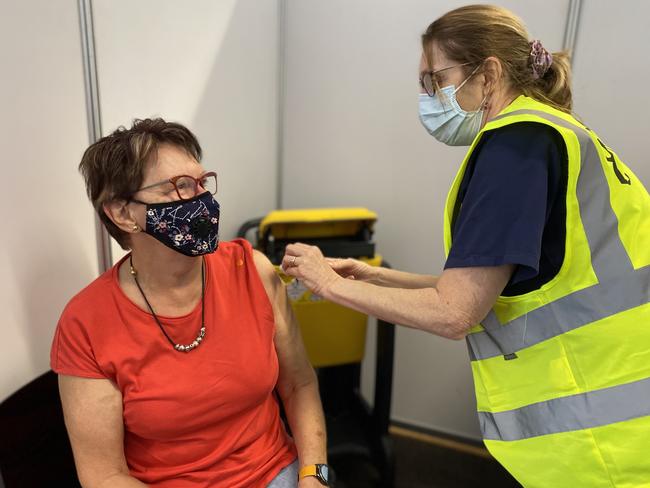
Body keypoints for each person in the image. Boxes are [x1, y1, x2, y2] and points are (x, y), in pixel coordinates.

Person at [280, 5, 650, 487]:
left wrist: (325, 282)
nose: (428, 97)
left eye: (436, 80)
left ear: (489, 72)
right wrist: (375, 275)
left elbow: (455, 312)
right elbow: (510, 288)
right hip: (623, 395)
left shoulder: (514, 148)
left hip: (596, 428)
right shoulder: (556, 133)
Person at [50, 119, 330, 487]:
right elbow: (104, 476)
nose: (201, 200)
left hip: (275, 473)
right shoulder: (85, 323)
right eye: (179, 187)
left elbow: (300, 385)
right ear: (122, 214)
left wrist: (315, 476)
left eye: (202, 182)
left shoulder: (252, 271)